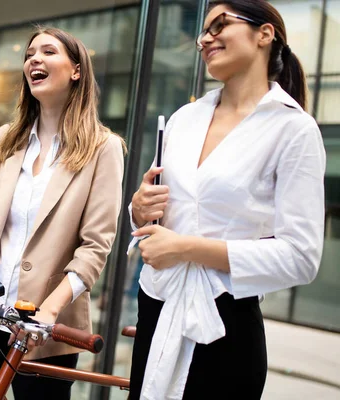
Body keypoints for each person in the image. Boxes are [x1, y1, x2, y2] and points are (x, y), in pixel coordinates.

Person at [127, 1, 326, 399]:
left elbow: (302, 257)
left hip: (225, 323)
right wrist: (138, 209)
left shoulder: (294, 130)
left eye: (219, 25)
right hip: (157, 306)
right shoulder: (185, 119)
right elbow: (153, 220)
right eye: (202, 32)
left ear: (264, 35)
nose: (204, 39)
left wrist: (186, 248)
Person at [0, 27, 125, 400]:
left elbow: (95, 248)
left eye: (48, 52)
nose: (34, 59)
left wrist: (48, 314)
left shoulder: (104, 148)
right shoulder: (7, 139)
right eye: (29, 54)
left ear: (76, 70)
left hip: (45, 332)